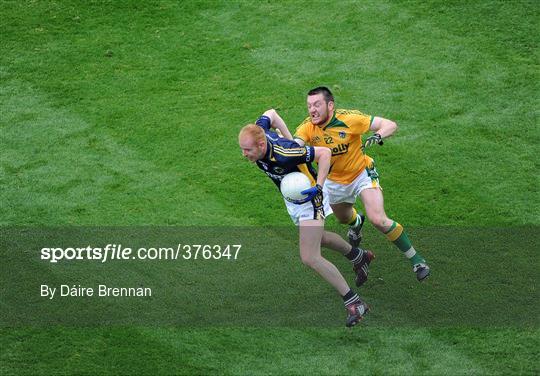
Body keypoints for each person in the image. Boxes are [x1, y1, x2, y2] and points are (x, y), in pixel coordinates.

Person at [238, 109, 373, 327]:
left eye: (247, 150)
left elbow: (324, 154)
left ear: (261, 146)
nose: (244, 154)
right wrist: (288, 135)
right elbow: (271, 113)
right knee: (319, 238)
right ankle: (359, 256)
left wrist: (318, 186)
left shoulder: (285, 153)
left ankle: (354, 302)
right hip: (294, 198)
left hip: (310, 197)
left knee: (309, 256)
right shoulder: (259, 132)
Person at [293, 86, 430, 282]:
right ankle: (357, 223)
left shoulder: (350, 119)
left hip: (361, 174)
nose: (312, 110)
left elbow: (389, 124)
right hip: (333, 183)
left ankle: (417, 261)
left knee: (379, 219)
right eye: (309, 106)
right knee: (344, 218)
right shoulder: (307, 127)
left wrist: (378, 135)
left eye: (317, 105)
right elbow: (296, 144)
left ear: (330, 105)